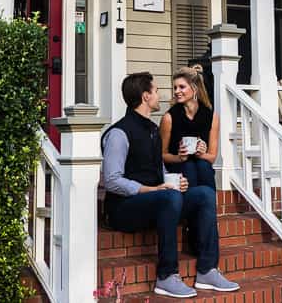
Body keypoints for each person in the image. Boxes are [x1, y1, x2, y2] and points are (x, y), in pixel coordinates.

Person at [101, 72, 239, 299]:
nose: (161, 95)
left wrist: (173, 182)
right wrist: (153, 190)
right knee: (170, 198)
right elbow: (112, 181)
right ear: (146, 97)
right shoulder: (119, 132)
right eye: (156, 91)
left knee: (204, 193)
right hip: (123, 208)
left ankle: (207, 270)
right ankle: (166, 276)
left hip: (155, 200)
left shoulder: (152, 129)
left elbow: (160, 168)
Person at [160, 66, 218, 191]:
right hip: (178, 168)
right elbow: (162, 155)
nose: (176, 91)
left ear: (195, 88)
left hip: (201, 166)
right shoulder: (169, 118)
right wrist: (179, 157)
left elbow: (212, 157)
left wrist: (201, 154)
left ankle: (208, 206)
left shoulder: (211, 116)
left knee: (204, 166)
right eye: (175, 87)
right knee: (189, 166)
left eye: (182, 87)